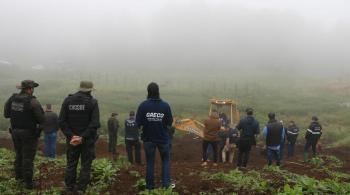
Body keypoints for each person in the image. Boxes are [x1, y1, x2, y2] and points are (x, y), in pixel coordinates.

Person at [59, 81, 100, 193]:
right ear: (90, 90)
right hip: (87, 140)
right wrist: (82, 137)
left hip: (72, 140)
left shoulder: (68, 100)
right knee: (86, 164)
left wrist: (72, 136)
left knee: (71, 162)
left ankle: (69, 186)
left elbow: (62, 121)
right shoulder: (92, 102)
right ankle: (81, 188)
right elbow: (95, 123)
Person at [3, 80, 45, 189]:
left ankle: (18, 178)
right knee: (28, 158)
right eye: (32, 88)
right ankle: (28, 183)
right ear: (29, 89)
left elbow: (6, 114)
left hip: (15, 132)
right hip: (28, 134)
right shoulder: (33, 102)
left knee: (19, 154)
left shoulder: (12, 99)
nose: (33, 90)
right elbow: (41, 119)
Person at [136, 82, 173, 190]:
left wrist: (148, 121)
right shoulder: (165, 105)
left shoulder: (143, 105)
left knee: (150, 162)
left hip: (148, 139)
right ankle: (166, 185)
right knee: (165, 161)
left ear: (148, 92)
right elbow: (169, 122)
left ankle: (150, 187)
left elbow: (138, 123)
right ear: (158, 91)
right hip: (163, 139)